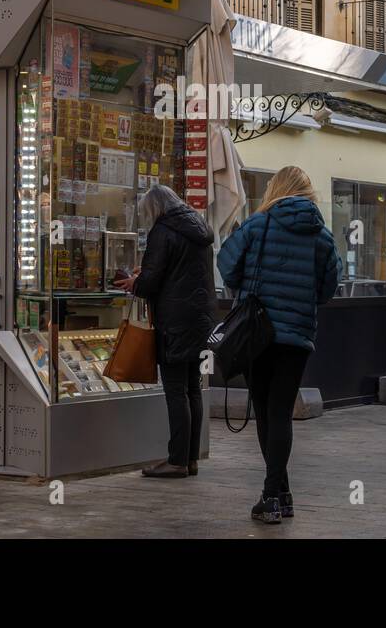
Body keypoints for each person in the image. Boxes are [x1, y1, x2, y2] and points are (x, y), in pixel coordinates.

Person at [216, 165, 341, 523]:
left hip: (257, 333)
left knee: (265, 412)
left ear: (276, 189)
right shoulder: (322, 235)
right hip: (297, 336)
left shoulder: (258, 224)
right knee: (280, 412)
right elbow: (329, 288)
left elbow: (227, 266)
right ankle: (280, 494)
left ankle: (272, 496)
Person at [115, 184, 214, 479]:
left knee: (175, 391)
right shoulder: (199, 229)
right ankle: (190, 458)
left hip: (174, 321)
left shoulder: (163, 231)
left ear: (155, 209)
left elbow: (151, 282)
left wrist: (135, 282)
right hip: (201, 318)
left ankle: (177, 461)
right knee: (193, 389)